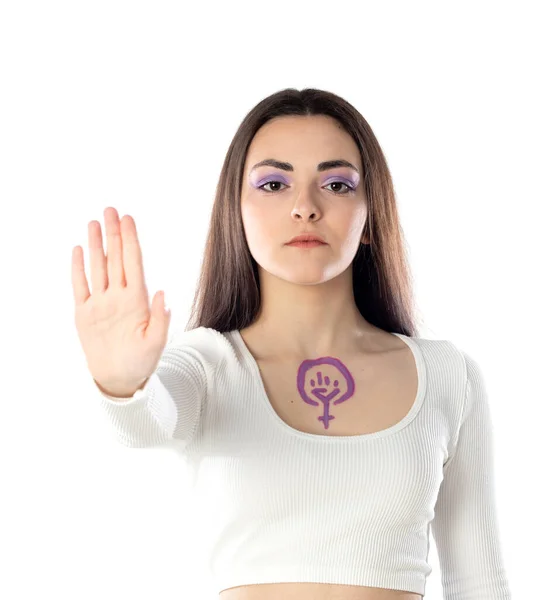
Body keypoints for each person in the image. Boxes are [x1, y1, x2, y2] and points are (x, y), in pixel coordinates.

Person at [71, 88, 512, 600]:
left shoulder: (448, 377)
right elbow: (147, 423)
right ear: (236, 213)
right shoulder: (210, 366)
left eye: (338, 184)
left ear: (372, 216)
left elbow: (479, 582)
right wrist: (123, 383)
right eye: (275, 184)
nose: (305, 207)